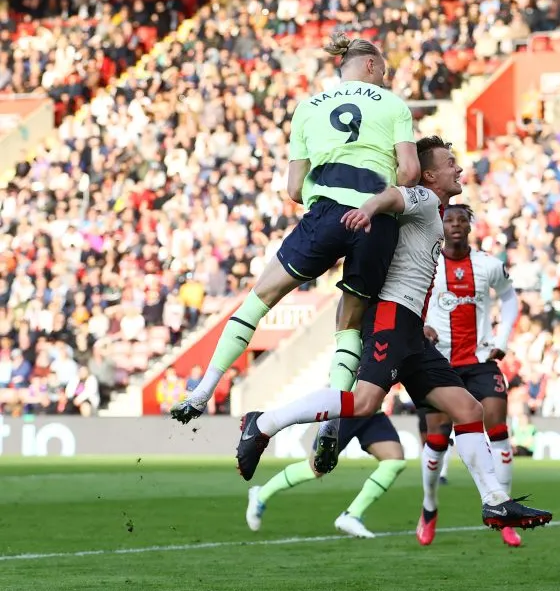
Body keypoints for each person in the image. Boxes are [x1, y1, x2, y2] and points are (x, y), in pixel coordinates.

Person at [233, 136, 552, 532]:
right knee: (365, 402)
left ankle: (495, 502)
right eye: (450, 162)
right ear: (431, 173)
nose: (458, 167)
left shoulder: (436, 209)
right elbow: (393, 196)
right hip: (390, 314)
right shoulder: (421, 197)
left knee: (469, 410)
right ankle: (262, 423)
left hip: (411, 328)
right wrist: (367, 208)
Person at [170, 32, 420, 424]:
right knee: (349, 322)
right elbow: (410, 171)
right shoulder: (393, 106)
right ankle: (332, 424)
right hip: (375, 221)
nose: (384, 79)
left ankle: (203, 390)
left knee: (260, 297)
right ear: (370, 65)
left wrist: (326, 194)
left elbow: (292, 189)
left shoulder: (308, 108)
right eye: (383, 71)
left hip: (327, 215)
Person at [413, 204, 521, 547]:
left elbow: (510, 299)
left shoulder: (488, 265)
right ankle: (429, 508)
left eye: (462, 220)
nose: (456, 225)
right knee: (437, 439)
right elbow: (408, 300)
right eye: (449, 220)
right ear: (440, 226)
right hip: (438, 363)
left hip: (480, 360)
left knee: (499, 428)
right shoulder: (425, 263)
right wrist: (420, 326)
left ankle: (502, 509)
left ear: (470, 227)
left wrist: (501, 342)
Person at [245, 414, 406, 539]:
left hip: (372, 412)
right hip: (346, 410)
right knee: (315, 468)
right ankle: (261, 494)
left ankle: (352, 515)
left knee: (394, 460)